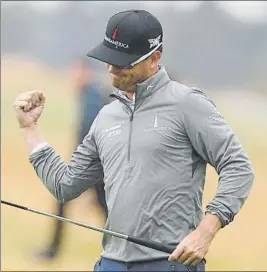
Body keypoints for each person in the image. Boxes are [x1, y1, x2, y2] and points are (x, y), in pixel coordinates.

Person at [13, 9, 254, 272]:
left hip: (170, 262)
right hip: (111, 262)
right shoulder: (106, 115)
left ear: (154, 58)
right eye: (109, 58)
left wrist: (205, 232)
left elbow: (238, 167)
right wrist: (30, 129)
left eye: (123, 62)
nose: (111, 69)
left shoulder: (187, 104)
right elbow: (65, 185)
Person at [34, 59, 108, 260]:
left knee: (70, 199)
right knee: (104, 209)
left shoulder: (92, 96)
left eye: (76, 72)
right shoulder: (89, 94)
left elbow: (89, 133)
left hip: (93, 166)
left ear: (85, 73)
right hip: (95, 166)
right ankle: (121, 249)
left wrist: (81, 165)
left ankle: (51, 251)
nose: (73, 77)